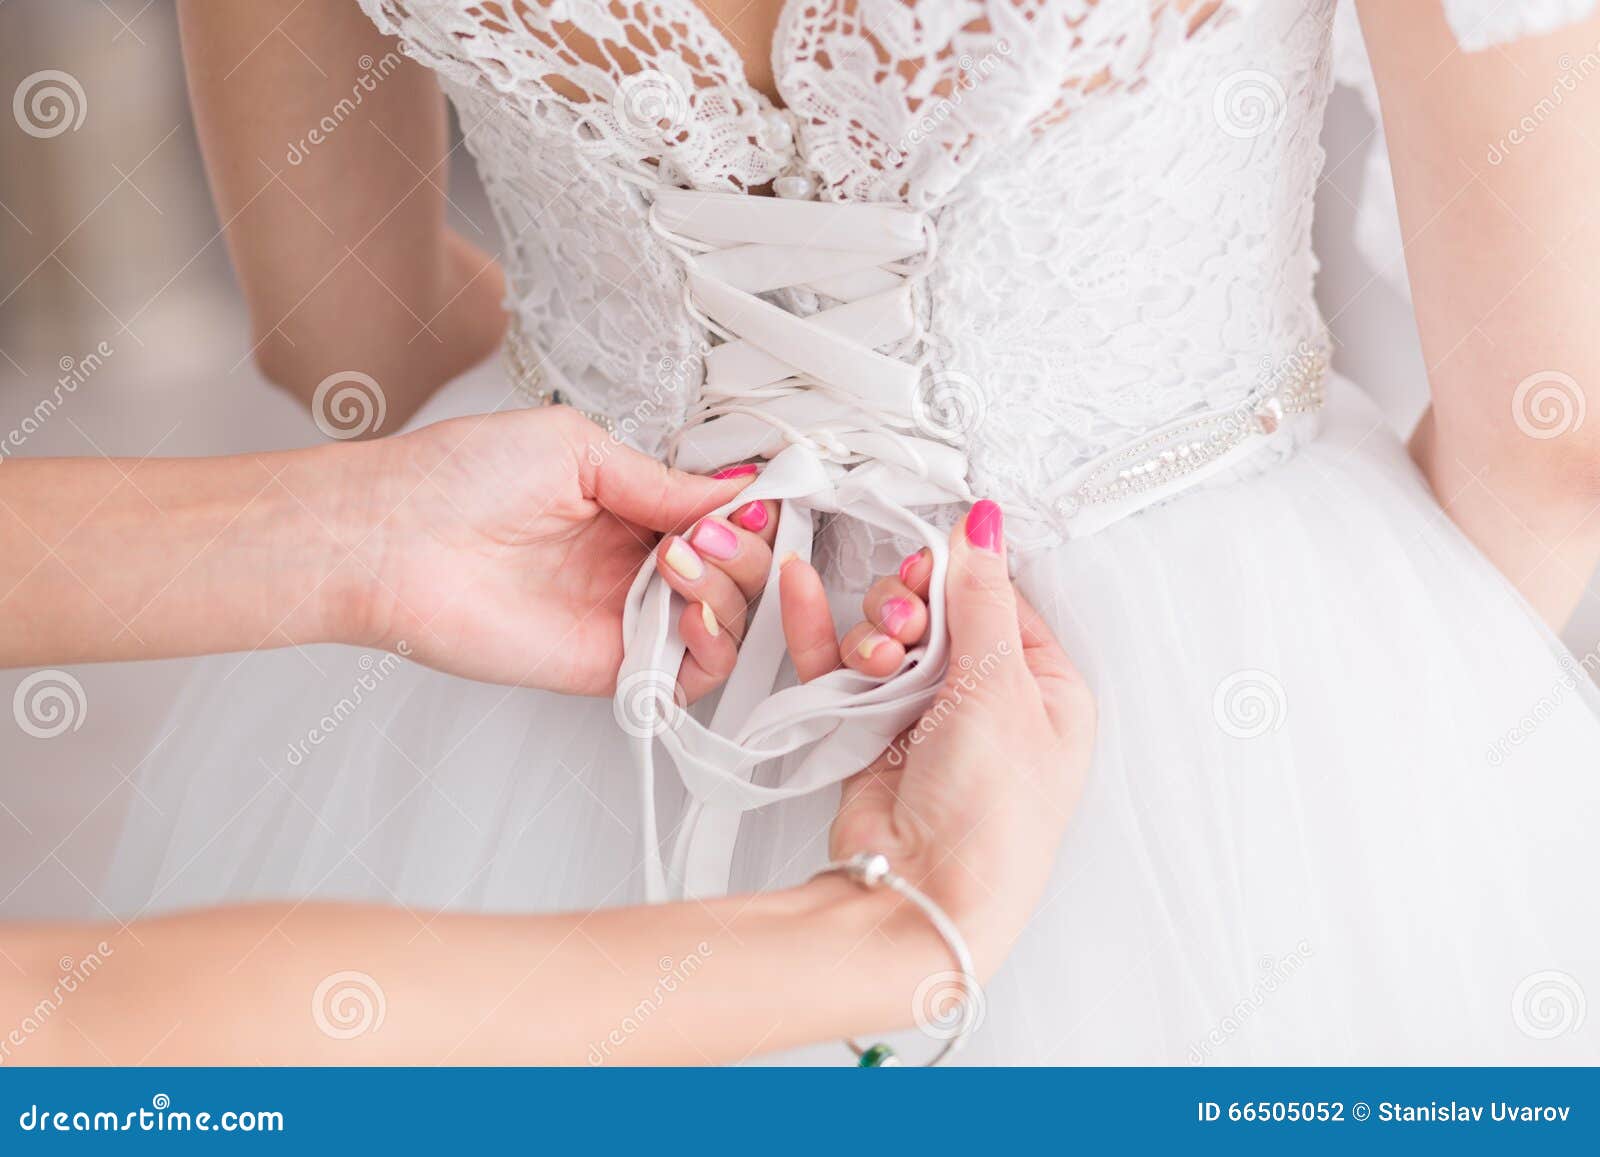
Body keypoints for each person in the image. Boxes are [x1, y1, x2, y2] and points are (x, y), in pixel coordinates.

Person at [93, 0, 1600, 1063]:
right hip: (1217, 695)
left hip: (576, 650)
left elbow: (337, 331)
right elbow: (1553, 443)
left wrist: (632, 437)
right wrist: (1394, 769)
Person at [0, 405, 1094, 1063]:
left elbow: (331, 329)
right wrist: (885, 934)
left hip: (523, 582)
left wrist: (372, 534)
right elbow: (56, 1039)